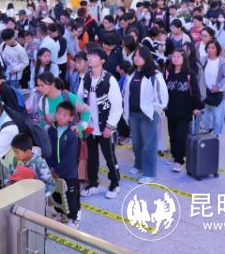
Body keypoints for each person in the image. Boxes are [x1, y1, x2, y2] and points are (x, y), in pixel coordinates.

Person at [79, 46, 123, 199]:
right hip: (90, 126)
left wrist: (110, 126)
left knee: (109, 156)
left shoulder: (109, 79)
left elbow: (117, 106)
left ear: (102, 61)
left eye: (94, 56)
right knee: (91, 157)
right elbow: (80, 99)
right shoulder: (86, 77)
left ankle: (115, 184)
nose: (90, 58)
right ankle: (93, 184)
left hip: (105, 126)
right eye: (89, 55)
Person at [122, 46, 168, 184]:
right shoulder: (131, 73)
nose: (136, 58)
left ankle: (149, 172)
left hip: (148, 114)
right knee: (136, 143)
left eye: (140, 56)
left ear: (147, 58)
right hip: (133, 113)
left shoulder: (154, 74)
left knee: (149, 144)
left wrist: (155, 110)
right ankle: (139, 165)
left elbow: (162, 97)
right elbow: (126, 92)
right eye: (135, 55)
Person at [163, 49, 203, 172]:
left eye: (178, 57)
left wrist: (196, 107)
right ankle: (174, 155)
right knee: (172, 135)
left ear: (184, 59)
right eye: (173, 56)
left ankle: (179, 160)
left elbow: (195, 91)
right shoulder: (167, 73)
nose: (175, 59)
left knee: (181, 136)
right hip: (171, 110)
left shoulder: (189, 74)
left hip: (185, 111)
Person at [46, 101, 82, 228]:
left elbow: (70, 158)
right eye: (58, 113)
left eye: (64, 115)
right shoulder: (51, 130)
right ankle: (62, 214)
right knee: (57, 193)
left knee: (71, 196)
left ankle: (73, 217)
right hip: (54, 170)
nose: (60, 117)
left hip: (69, 173)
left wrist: (57, 170)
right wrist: (51, 167)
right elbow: (48, 150)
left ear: (71, 118)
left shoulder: (72, 135)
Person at [9, 133, 55, 197]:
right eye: (14, 152)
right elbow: (10, 175)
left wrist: (39, 196)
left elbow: (51, 185)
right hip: (20, 194)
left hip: (36, 197)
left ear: (28, 152)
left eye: (17, 152)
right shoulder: (15, 160)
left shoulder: (39, 164)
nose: (15, 155)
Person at [202, 40, 225, 136]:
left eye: (213, 48)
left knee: (217, 116)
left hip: (218, 94)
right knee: (206, 115)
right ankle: (207, 131)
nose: (210, 50)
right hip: (206, 92)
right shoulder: (204, 60)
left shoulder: (222, 62)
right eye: (208, 47)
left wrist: (218, 87)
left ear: (217, 49)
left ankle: (216, 133)